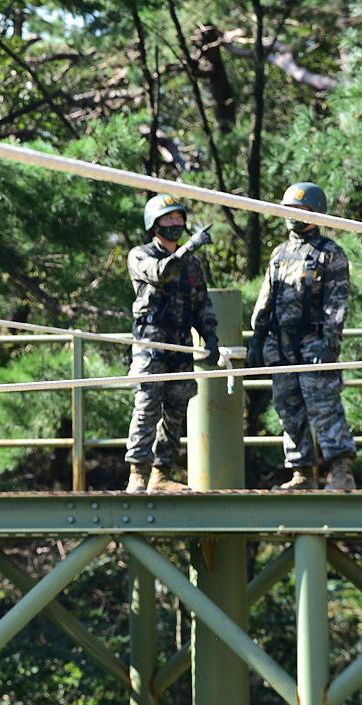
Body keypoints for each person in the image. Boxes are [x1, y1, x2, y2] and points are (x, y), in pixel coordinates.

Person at [248, 182, 356, 491]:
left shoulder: (330, 254)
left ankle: (340, 472)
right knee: (287, 408)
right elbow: (266, 297)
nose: (292, 215)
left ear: (316, 213)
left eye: (300, 209)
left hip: (315, 342)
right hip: (280, 346)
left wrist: (330, 343)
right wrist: (258, 337)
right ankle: (302, 473)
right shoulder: (280, 253)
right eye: (289, 209)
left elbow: (337, 302)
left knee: (324, 406)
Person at [124, 194, 219, 493]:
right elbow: (161, 273)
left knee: (176, 408)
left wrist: (211, 335)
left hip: (181, 341)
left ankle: (161, 474)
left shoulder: (193, 266)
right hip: (152, 342)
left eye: (179, 218)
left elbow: (202, 303)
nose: (176, 224)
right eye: (169, 219)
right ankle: (137, 474)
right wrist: (191, 247)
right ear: (154, 224)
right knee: (147, 405)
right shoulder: (140, 255)